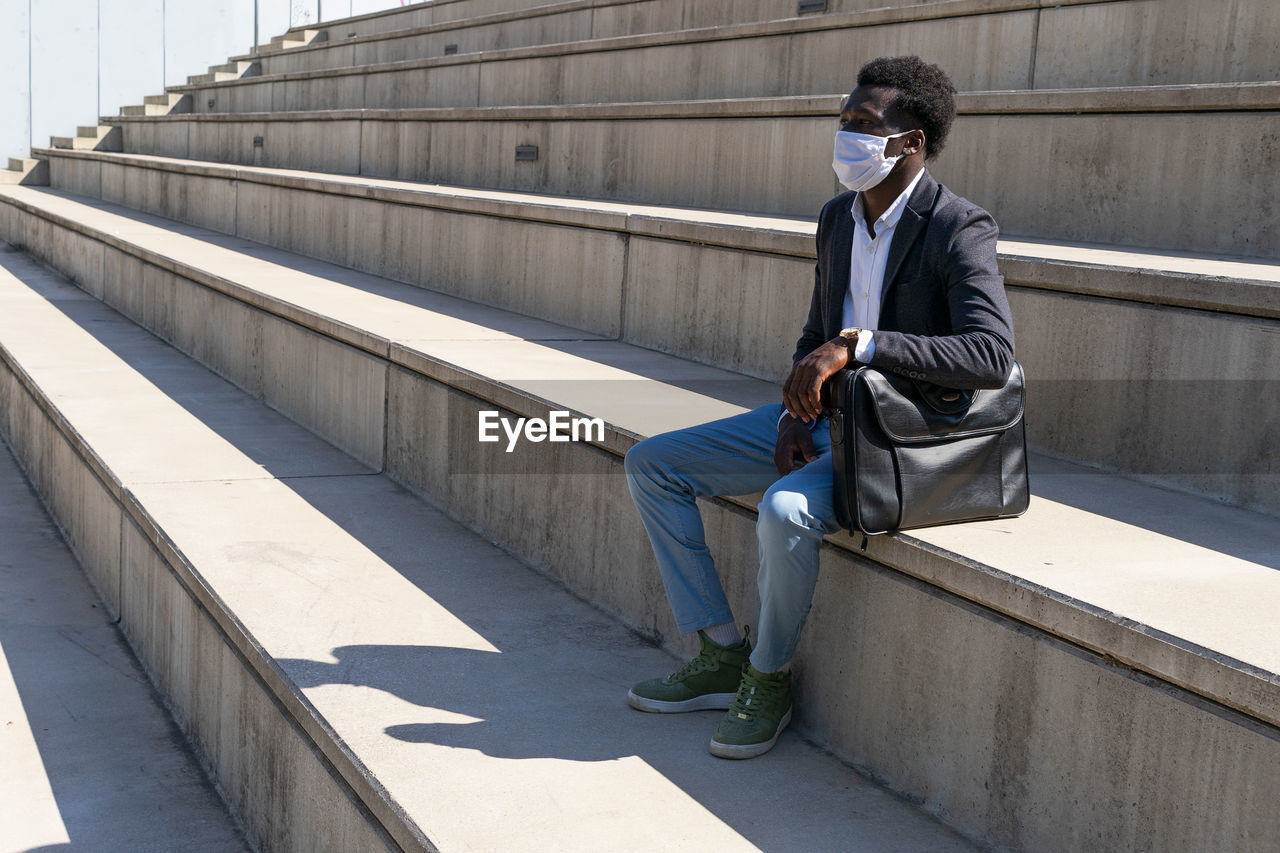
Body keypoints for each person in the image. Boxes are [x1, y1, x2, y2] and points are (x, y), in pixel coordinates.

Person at [622, 56, 1016, 759]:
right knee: (654, 463)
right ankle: (722, 651)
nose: (847, 135)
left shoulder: (958, 226)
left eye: (865, 125)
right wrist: (790, 416)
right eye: (844, 119)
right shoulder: (838, 217)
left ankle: (768, 679)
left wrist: (860, 344)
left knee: (784, 509)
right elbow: (815, 338)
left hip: (901, 440)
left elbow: (989, 355)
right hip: (829, 424)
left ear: (912, 143)